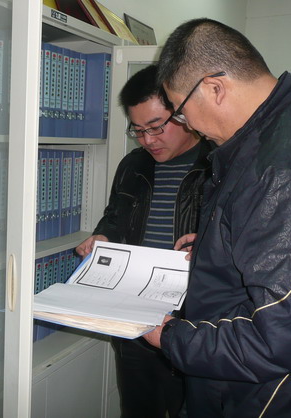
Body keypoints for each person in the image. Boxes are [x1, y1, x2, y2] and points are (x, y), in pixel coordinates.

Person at [142, 18, 291, 417]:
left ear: (215, 88)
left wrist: (173, 338)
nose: (188, 125)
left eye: (181, 112)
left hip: (273, 398)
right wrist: (217, 244)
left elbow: (279, 336)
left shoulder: (285, 168)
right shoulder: (284, 125)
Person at [75, 64, 212, 418]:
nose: (148, 140)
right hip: (131, 316)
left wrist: (209, 247)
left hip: (191, 322)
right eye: (138, 131)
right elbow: (116, 215)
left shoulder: (217, 165)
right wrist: (103, 235)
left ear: (182, 114)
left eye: (156, 127)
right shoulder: (133, 165)